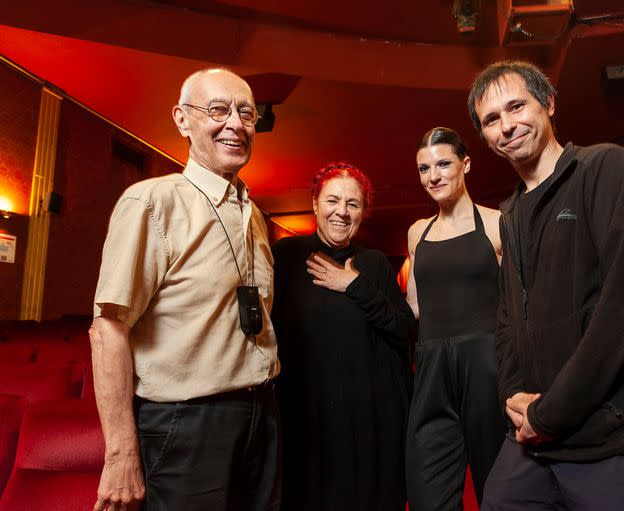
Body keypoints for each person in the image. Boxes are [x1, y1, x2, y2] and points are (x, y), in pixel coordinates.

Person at [467, 61, 624, 510]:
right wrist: (516, 404)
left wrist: (550, 413)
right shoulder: (509, 213)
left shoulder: (605, 167)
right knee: (499, 499)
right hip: (540, 434)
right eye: (491, 119)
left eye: (517, 106)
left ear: (549, 103)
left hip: (622, 431)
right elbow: (509, 321)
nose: (506, 125)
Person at [90, 68, 280, 511]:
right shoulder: (151, 202)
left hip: (261, 414)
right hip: (187, 424)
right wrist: (120, 454)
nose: (235, 123)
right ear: (182, 120)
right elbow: (109, 330)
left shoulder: (254, 216)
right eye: (217, 110)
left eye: (247, 114)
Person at [271, 162, 414, 511]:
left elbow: (405, 328)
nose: (342, 212)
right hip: (305, 418)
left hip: (365, 421)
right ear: (316, 202)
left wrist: (355, 286)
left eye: (353, 203)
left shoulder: (375, 263)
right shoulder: (287, 256)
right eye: (333, 200)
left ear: (363, 211)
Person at [405, 127, 507, 510]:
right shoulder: (418, 233)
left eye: (443, 163)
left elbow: (519, 307)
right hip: (431, 371)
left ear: (466, 164)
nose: (434, 175)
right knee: (428, 493)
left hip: (487, 367)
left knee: (499, 490)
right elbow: (413, 307)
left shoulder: (498, 224)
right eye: (424, 168)